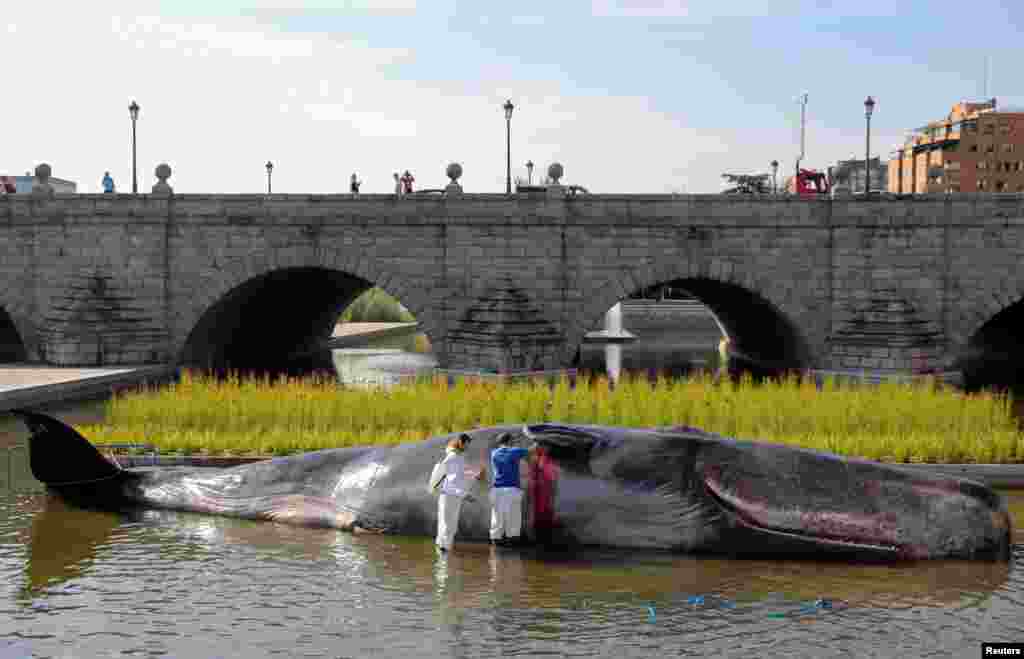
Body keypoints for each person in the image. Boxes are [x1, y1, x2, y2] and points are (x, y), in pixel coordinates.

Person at [433, 433, 484, 553]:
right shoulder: (454, 457)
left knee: (445, 524)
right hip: (450, 496)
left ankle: (441, 555)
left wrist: (475, 475)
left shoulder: (456, 456)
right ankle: (444, 553)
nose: (468, 445)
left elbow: (461, 473)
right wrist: (465, 495)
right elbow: (451, 481)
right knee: (449, 525)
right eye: (467, 443)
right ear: (461, 442)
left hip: (450, 496)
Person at [488, 432, 535, 546]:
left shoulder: (494, 453)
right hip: (511, 489)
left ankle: (495, 543)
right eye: (513, 441)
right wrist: (538, 441)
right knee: (513, 517)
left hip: (496, 490)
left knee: (497, 517)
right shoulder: (514, 451)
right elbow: (530, 451)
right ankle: (512, 544)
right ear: (510, 441)